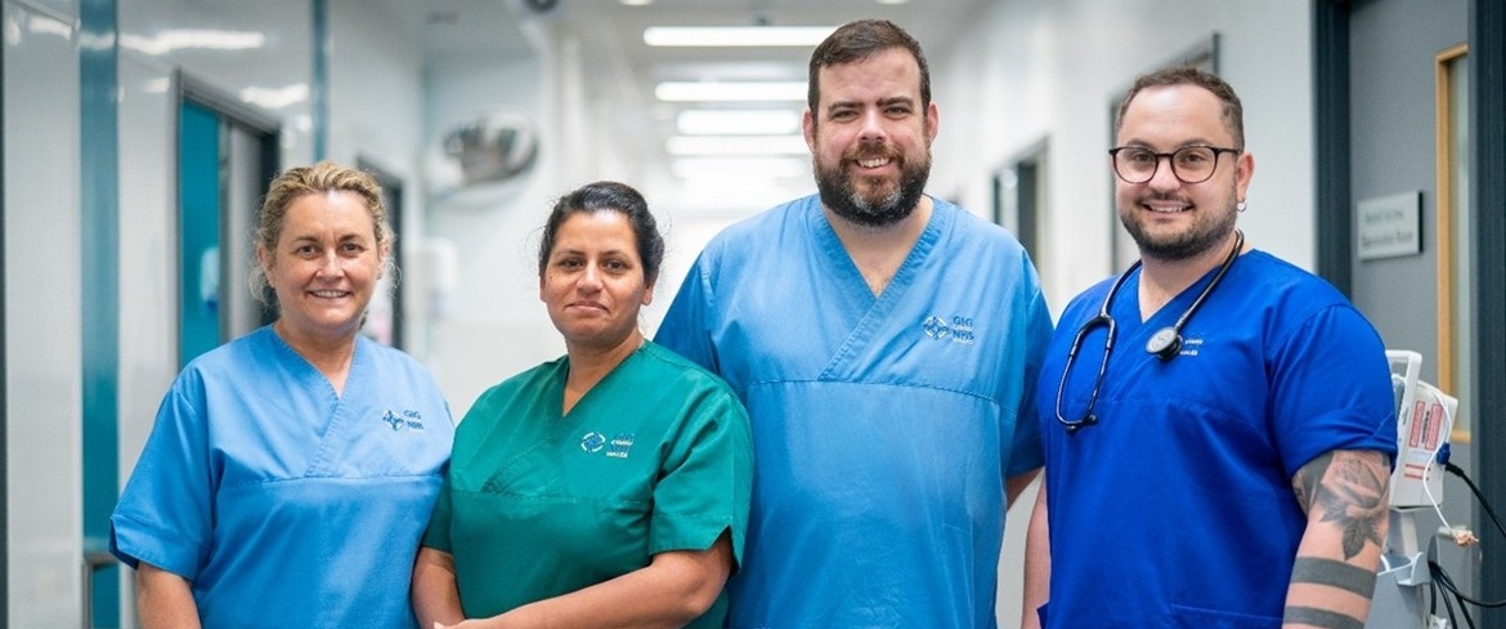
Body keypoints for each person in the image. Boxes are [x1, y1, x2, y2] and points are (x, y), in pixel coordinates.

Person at [654, 19, 1053, 628]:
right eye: (846, 111)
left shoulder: (999, 272)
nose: (873, 131)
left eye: (894, 108)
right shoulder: (730, 269)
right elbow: (671, 448)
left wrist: (937, 511)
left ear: (930, 122)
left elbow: (1028, 448)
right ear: (811, 129)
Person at [1022, 66, 1397, 628]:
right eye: (1141, 156)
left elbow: (1346, 521)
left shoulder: (1309, 324)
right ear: (1117, 168)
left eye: (1193, 158)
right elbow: (1056, 500)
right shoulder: (1083, 320)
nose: (1163, 180)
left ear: (1241, 175)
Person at [109, 161, 454, 627]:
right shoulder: (210, 389)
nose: (330, 269)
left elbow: (443, 554)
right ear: (268, 261)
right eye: (307, 249)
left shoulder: (418, 389)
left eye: (351, 248)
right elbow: (161, 568)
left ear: (380, 256)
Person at [411, 181, 753, 629]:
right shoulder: (495, 408)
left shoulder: (700, 410)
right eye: (571, 263)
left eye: (614, 265)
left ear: (648, 285)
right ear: (543, 281)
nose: (589, 282)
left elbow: (687, 585)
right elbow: (437, 556)